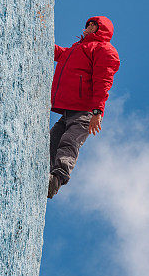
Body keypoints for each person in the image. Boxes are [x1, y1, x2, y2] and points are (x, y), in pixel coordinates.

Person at [48, 15, 120, 199]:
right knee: (51, 142)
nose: (87, 27)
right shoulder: (77, 48)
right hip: (70, 111)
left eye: (92, 25)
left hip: (85, 111)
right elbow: (61, 54)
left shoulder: (104, 50)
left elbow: (103, 81)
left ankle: (57, 179)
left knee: (69, 142)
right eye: (87, 24)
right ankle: (44, 176)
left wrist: (97, 111)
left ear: (99, 29)